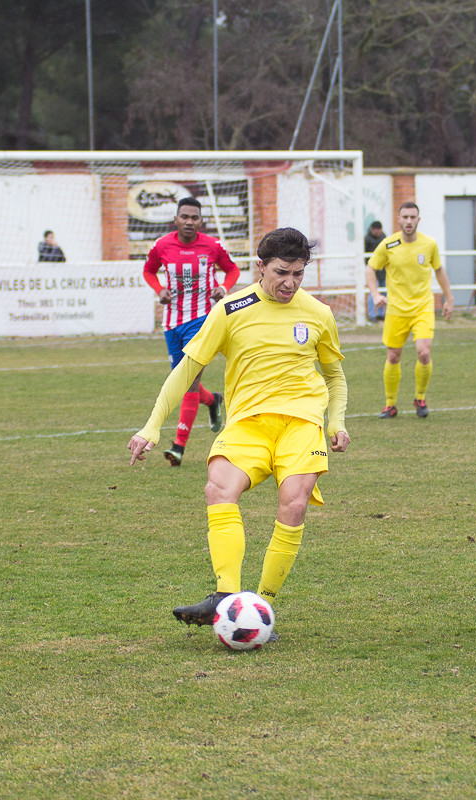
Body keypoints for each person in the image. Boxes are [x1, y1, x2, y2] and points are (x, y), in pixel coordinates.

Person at [128, 227, 350, 638]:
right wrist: (151, 426)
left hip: (300, 423)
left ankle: (260, 604)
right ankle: (225, 596)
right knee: (218, 490)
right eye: (282, 272)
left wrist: (336, 420)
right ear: (260, 267)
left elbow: (335, 375)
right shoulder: (231, 309)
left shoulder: (318, 313)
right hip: (247, 424)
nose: (290, 283)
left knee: (294, 505)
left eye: (299, 274)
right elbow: (187, 370)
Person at [142, 197, 240, 466]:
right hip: (172, 321)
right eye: (184, 216)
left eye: (194, 217)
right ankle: (212, 401)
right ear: (176, 219)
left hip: (202, 320)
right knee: (183, 378)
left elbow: (232, 269)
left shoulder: (211, 246)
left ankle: (178, 447)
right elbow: (149, 271)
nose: (189, 221)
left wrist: (223, 287)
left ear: (200, 221)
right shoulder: (162, 246)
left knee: (190, 380)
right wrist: (159, 290)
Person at [366, 202, 454, 418]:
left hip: (423, 308)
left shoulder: (429, 244)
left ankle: (420, 398)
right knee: (394, 356)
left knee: (424, 353)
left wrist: (449, 298)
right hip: (396, 310)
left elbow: (439, 270)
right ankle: (390, 404)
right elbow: (370, 267)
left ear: (418, 220)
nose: (408, 221)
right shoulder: (388, 245)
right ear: (399, 219)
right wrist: (375, 294)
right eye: (405, 217)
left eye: (413, 217)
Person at [364, 220, 387, 322]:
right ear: (372, 229)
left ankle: (381, 314)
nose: (378, 232)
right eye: (376, 230)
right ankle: (371, 314)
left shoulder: (384, 238)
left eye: (379, 230)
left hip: (383, 271)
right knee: (372, 292)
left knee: (384, 292)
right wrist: (370, 267)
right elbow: (365, 256)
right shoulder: (367, 239)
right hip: (373, 270)